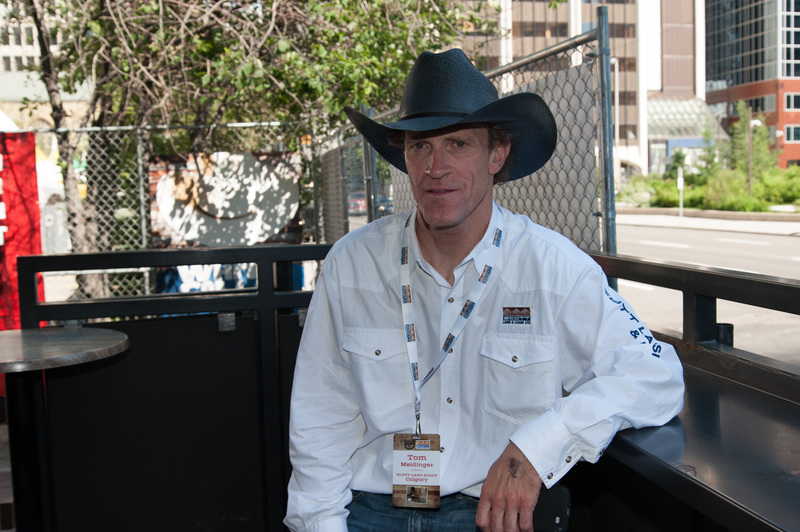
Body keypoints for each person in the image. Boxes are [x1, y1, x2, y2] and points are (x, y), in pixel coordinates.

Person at [285, 48, 684, 532]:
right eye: (420, 146)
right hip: (368, 508)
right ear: (404, 157)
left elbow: (656, 375)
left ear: (497, 154)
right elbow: (321, 416)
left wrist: (539, 444)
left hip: (491, 516)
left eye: (458, 144)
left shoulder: (552, 269)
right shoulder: (352, 264)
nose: (436, 167)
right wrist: (321, 525)